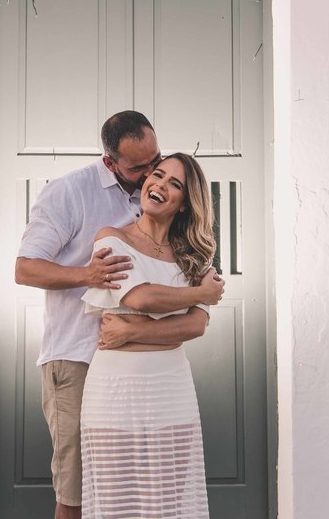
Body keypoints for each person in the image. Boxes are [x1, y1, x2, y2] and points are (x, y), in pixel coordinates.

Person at [15, 112, 225, 519]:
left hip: (146, 371)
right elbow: (25, 269)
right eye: (140, 168)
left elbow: (193, 320)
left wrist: (135, 330)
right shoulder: (70, 194)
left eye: (156, 163)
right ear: (111, 162)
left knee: (155, 493)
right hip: (78, 356)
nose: (150, 174)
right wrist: (87, 274)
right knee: (78, 494)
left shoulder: (161, 213)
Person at [79, 153, 216, 519]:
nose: (161, 185)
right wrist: (199, 295)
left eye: (175, 184)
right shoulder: (111, 238)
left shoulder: (196, 255)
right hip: (114, 391)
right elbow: (141, 296)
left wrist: (134, 329)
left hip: (171, 389)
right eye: (158, 175)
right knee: (115, 502)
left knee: (166, 504)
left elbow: (195, 326)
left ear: (186, 203)